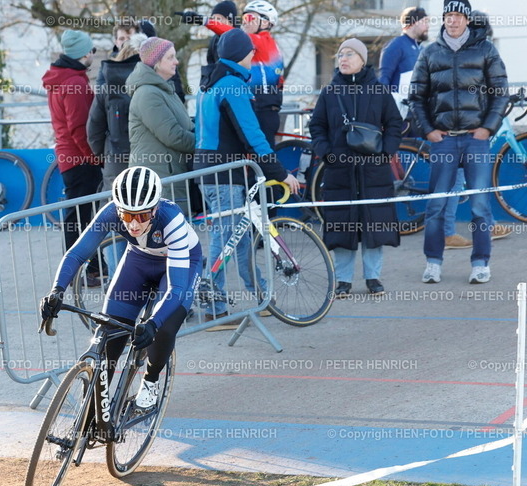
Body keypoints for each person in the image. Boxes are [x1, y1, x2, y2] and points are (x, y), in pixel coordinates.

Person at [40, 166, 202, 410]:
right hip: (140, 259)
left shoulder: (172, 220)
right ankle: (96, 400)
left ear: (155, 209)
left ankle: (150, 381)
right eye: (127, 216)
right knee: (110, 328)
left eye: (142, 216)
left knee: (164, 327)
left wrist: (153, 324)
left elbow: (176, 288)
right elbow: (76, 255)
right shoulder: (110, 213)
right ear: (118, 210)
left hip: (181, 264)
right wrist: (56, 290)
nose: (134, 224)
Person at [194, 28, 299, 328]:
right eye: (251, 50)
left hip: (213, 172)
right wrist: (280, 173)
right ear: (242, 54)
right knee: (225, 238)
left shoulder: (211, 83)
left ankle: (261, 296)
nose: (254, 54)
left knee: (238, 239)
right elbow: (253, 136)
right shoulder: (233, 85)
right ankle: (214, 307)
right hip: (224, 174)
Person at [409, 0, 509, 284]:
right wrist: (428, 130)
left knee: (480, 205)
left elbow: (500, 92)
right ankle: (433, 262)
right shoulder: (430, 52)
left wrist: (487, 128)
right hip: (443, 141)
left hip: (476, 140)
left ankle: (480, 263)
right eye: (448, 15)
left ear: (467, 19)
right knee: (436, 206)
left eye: (457, 15)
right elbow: (416, 96)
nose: (452, 20)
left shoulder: (486, 49)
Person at [309, 38, 402, 297]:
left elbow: (394, 124)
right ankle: (343, 281)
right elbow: (317, 126)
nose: (343, 59)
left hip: (374, 171)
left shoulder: (379, 90)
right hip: (339, 171)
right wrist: (327, 154)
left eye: (350, 54)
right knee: (342, 225)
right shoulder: (329, 92)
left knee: (374, 224)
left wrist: (385, 153)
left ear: (362, 59)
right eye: (340, 54)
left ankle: (373, 277)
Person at [42, 30, 102, 286]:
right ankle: (80, 273)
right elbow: (79, 128)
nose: (93, 55)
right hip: (80, 159)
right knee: (81, 219)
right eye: (92, 50)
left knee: (81, 217)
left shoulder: (62, 78)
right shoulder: (74, 83)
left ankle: (93, 269)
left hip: (69, 157)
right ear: (83, 53)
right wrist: (94, 157)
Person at [182, 0, 284, 147]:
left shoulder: (263, 41)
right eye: (244, 18)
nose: (245, 22)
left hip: (262, 111)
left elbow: (232, 34)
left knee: (261, 155)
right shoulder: (268, 45)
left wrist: (201, 20)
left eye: (250, 18)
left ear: (266, 22)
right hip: (264, 109)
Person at [125, 37, 195, 213]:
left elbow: (185, 126)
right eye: (170, 57)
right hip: (157, 183)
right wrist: (205, 145)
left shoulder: (165, 90)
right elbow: (173, 136)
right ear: (156, 62)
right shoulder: (147, 94)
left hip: (170, 177)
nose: (176, 61)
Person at [87, 33, 147, 192]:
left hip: (115, 161)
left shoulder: (106, 88)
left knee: (114, 205)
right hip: (149, 160)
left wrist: (105, 155)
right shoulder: (151, 86)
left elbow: (94, 130)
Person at [378, 6, 429, 121]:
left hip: (419, 114)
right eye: (424, 21)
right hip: (400, 116)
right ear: (413, 23)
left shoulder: (422, 49)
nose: (428, 26)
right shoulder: (395, 46)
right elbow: (383, 80)